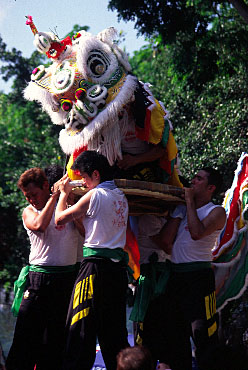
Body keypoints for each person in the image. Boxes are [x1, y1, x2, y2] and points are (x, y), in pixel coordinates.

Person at [143, 167, 227, 370]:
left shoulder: (216, 211)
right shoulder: (182, 210)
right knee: (175, 334)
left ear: (211, 188)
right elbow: (165, 241)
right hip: (176, 277)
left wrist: (188, 202)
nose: (193, 181)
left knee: (202, 332)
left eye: (199, 179)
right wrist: (178, 212)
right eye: (194, 177)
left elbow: (197, 233)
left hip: (199, 277)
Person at [54, 150, 130, 370]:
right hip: (115, 272)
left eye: (85, 178)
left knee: (80, 327)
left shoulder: (95, 195)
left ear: (95, 174)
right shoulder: (121, 197)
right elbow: (89, 233)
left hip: (94, 268)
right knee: (113, 332)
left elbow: (59, 219)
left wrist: (63, 194)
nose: (84, 183)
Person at [6, 167, 80, 370]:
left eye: (34, 194)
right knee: (24, 341)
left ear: (45, 186)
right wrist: (54, 197)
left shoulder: (67, 205)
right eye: (27, 196)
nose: (31, 199)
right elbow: (39, 225)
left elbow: (84, 230)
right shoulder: (29, 211)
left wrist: (68, 200)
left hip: (65, 281)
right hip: (39, 279)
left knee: (55, 343)